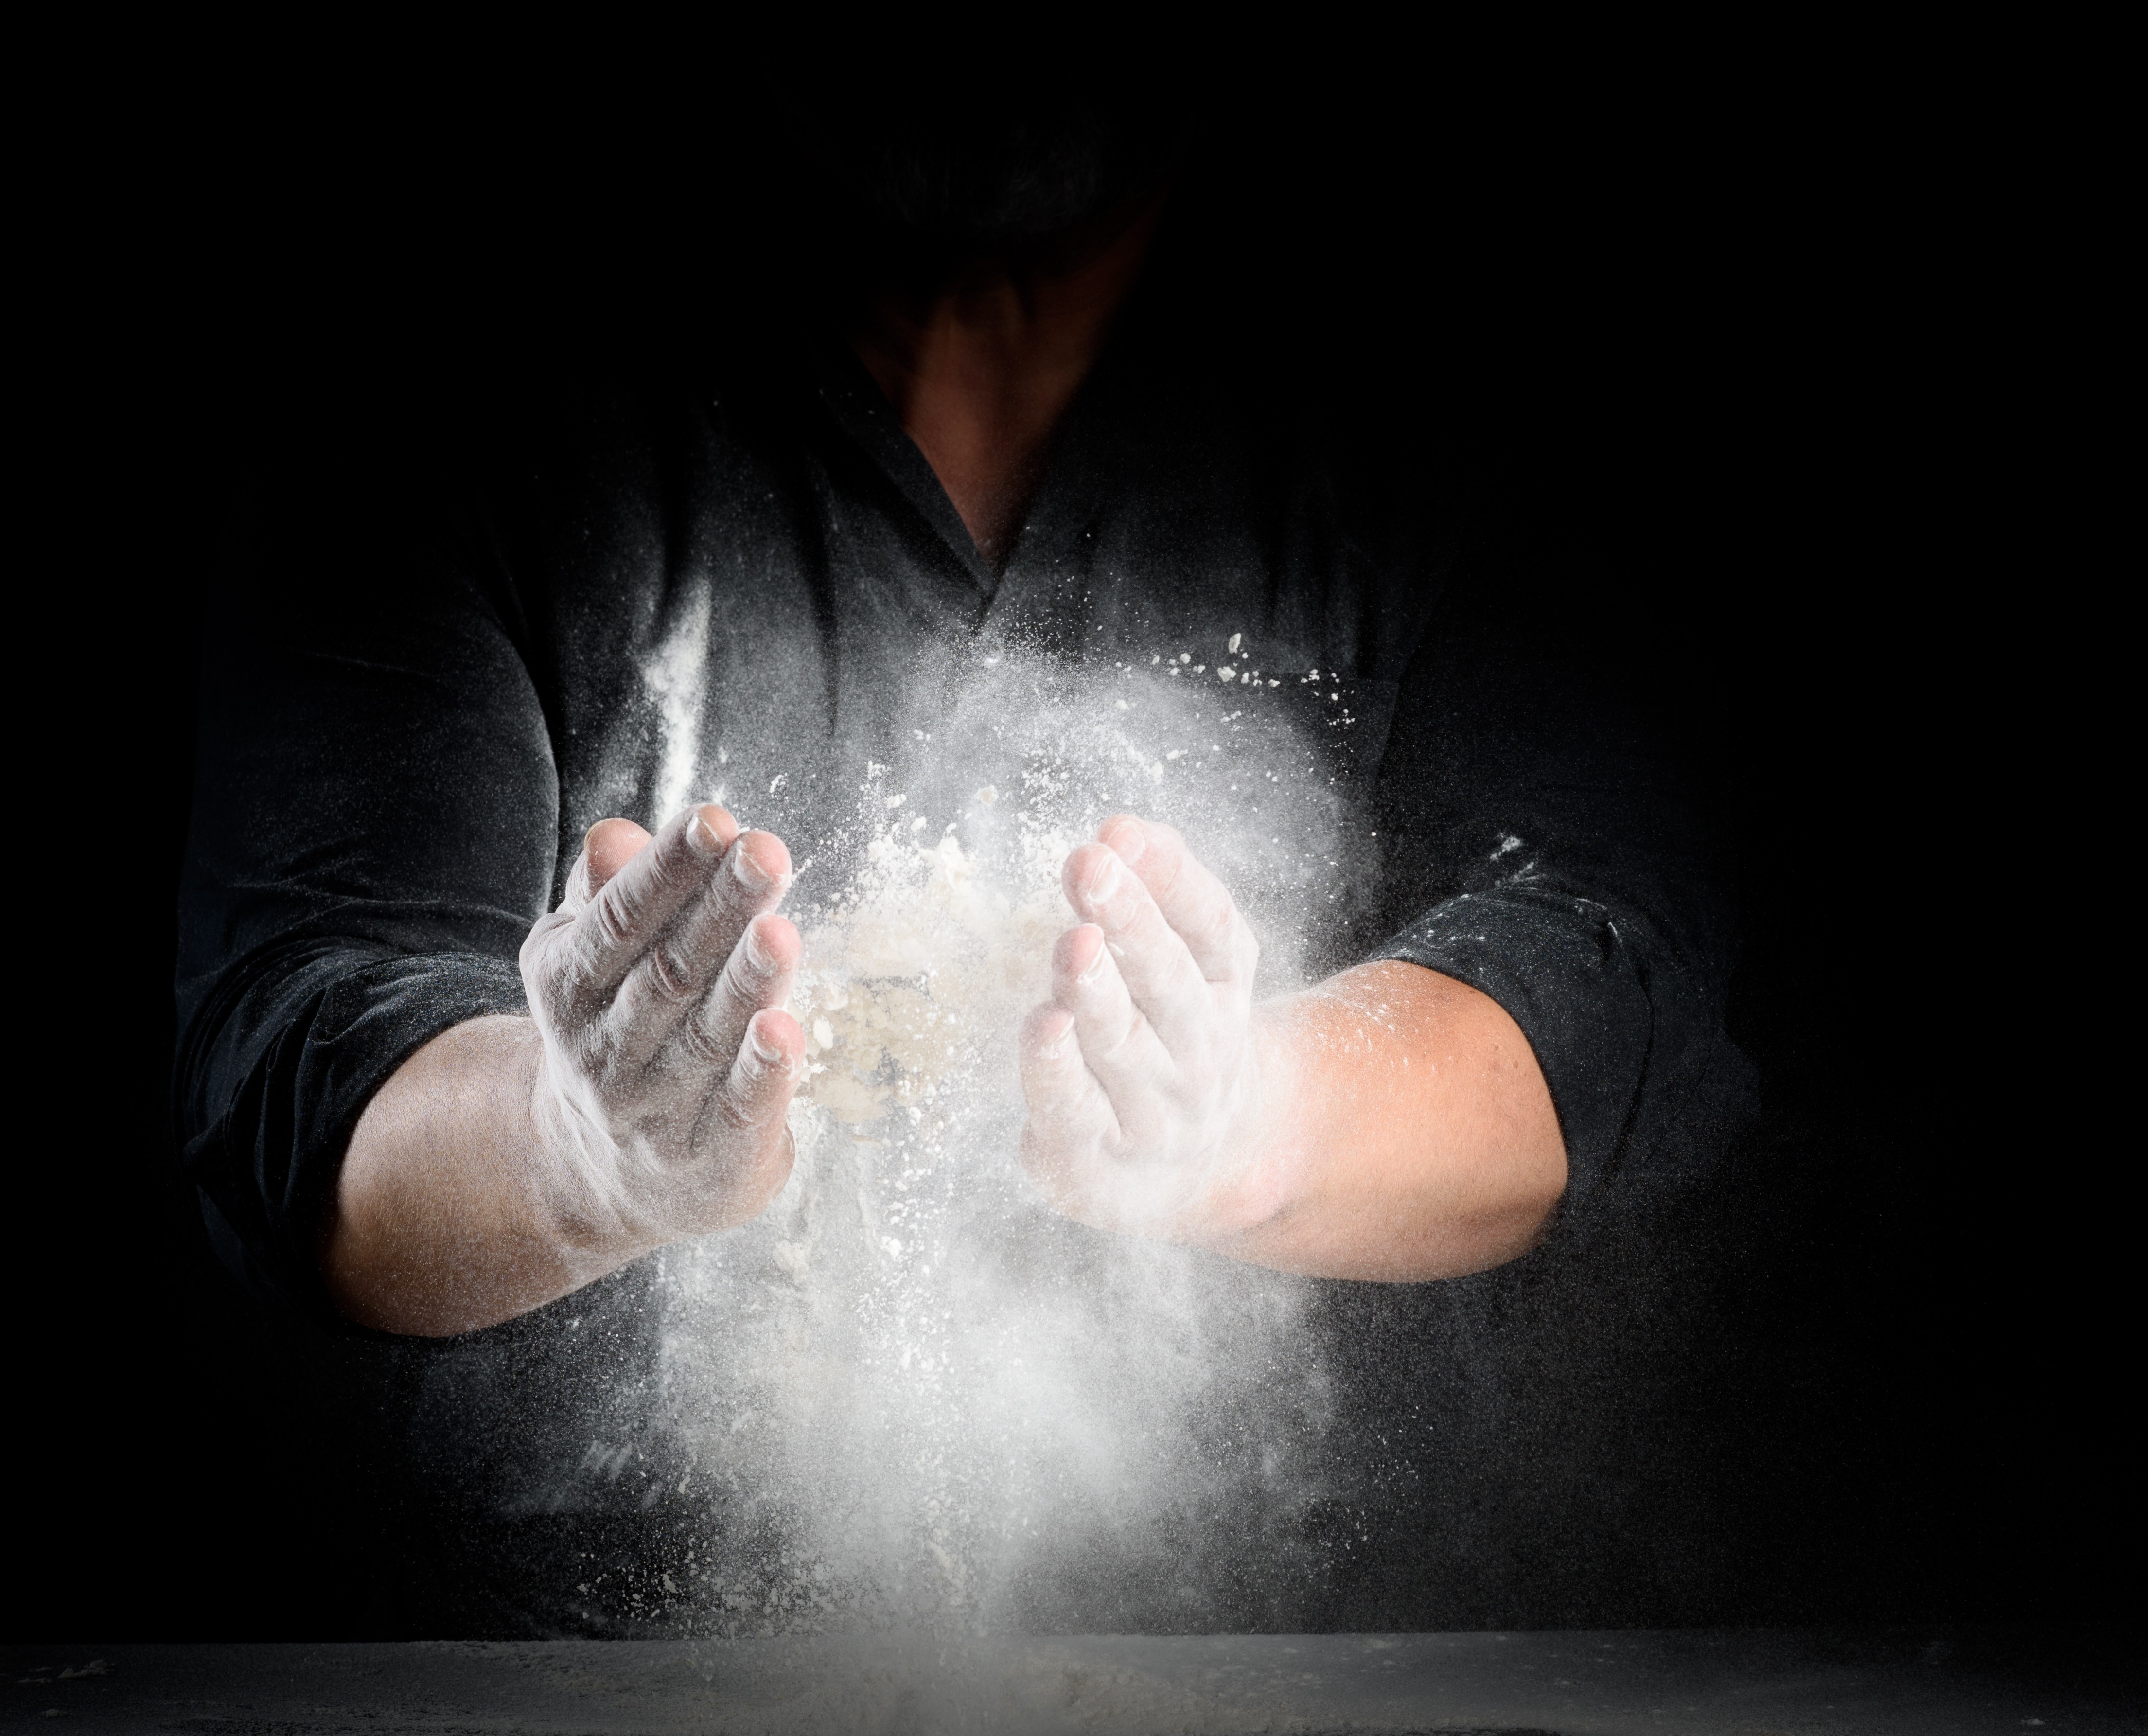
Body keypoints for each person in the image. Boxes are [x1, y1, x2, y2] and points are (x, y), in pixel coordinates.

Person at [179, 92, 1752, 1630]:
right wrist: (578, 1152)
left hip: (1326, 1666)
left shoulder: (1464, 361)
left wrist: (1248, 1123)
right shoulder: (440, 379)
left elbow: (1616, 967)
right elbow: (295, 1071)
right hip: (555, 1678)